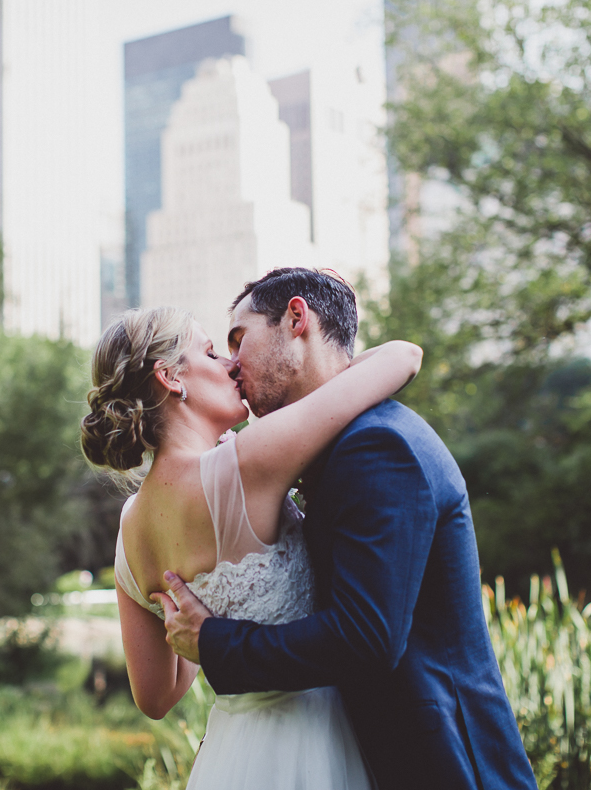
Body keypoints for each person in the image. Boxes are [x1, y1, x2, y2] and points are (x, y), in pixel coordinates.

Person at [155, 268, 538, 790]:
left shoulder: (378, 446)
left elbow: (367, 636)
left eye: (240, 340)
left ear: (296, 318)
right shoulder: (341, 445)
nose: (233, 365)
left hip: (444, 764)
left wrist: (215, 642)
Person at [80, 301, 423, 789]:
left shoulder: (129, 531)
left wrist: (203, 632)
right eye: (211, 352)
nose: (231, 365)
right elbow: (403, 356)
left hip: (231, 756)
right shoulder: (247, 463)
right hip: (315, 741)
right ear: (171, 378)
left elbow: (156, 699)